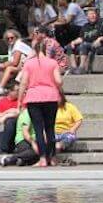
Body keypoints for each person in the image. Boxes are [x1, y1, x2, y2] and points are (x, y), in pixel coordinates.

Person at [16, 35, 65, 167]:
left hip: (33, 97)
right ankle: (52, 157)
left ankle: (42, 158)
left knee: (38, 129)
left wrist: (19, 101)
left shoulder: (28, 63)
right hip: (50, 97)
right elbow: (59, 81)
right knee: (50, 129)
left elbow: (23, 83)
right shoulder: (53, 63)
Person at [67, 6, 103, 74]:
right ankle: (74, 68)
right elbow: (81, 38)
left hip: (100, 47)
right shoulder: (85, 26)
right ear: (87, 17)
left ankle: (82, 67)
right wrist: (73, 42)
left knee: (84, 45)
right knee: (70, 46)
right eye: (90, 14)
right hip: (87, 46)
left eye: (94, 14)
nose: (92, 16)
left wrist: (100, 39)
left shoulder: (101, 23)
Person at [0, 29, 33, 96]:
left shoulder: (19, 45)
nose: (10, 40)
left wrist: (4, 64)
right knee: (1, 71)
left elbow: (15, 62)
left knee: (9, 68)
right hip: (20, 66)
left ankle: (0, 88)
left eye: (12, 38)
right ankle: (4, 88)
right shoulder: (11, 46)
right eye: (8, 38)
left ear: (16, 37)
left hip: (27, 66)